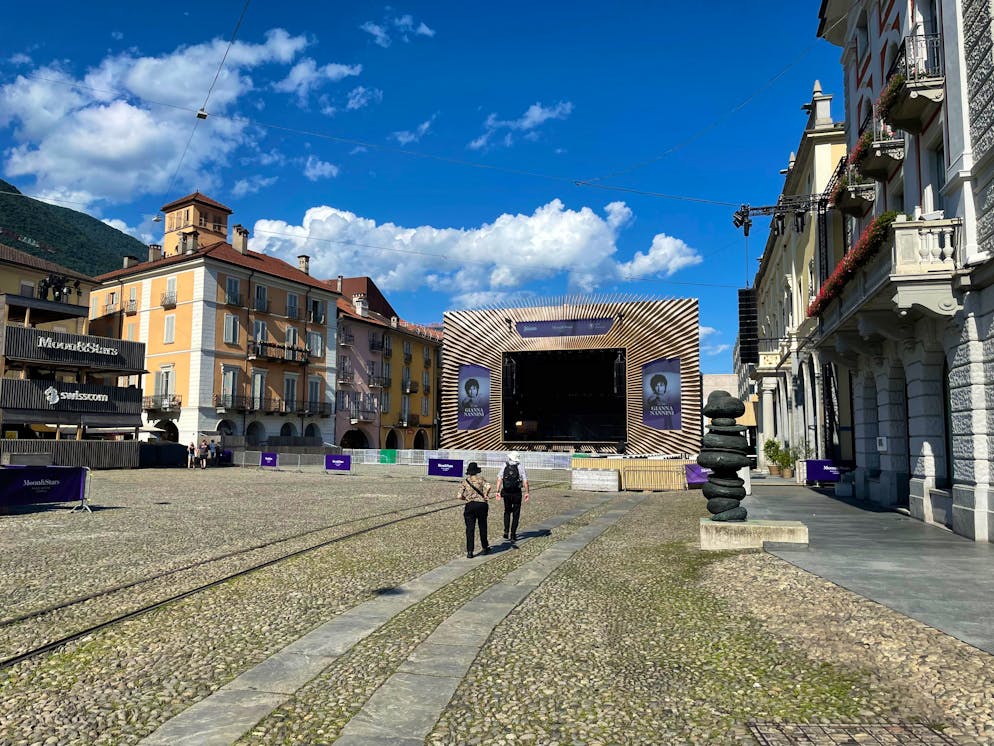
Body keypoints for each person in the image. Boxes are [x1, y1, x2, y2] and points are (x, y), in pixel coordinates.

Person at [456, 461, 491, 558]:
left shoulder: (465, 482)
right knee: (482, 526)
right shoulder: (481, 479)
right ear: (476, 471)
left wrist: (466, 499)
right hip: (481, 504)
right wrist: (485, 495)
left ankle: (470, 551)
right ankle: (485, 547)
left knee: (470, 529)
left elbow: (459, 496)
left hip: (470, 505)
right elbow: (489, 486)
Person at [495, 451, 530, 543]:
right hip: (517, 493)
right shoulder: (520, 466)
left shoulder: (504, 465)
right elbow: (525, 481)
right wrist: (527, 492)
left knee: (507, 511)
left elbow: (499, 479)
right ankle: (513, 534)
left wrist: (497, 491)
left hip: (506, 492)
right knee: (516, 514)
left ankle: (506, 531)